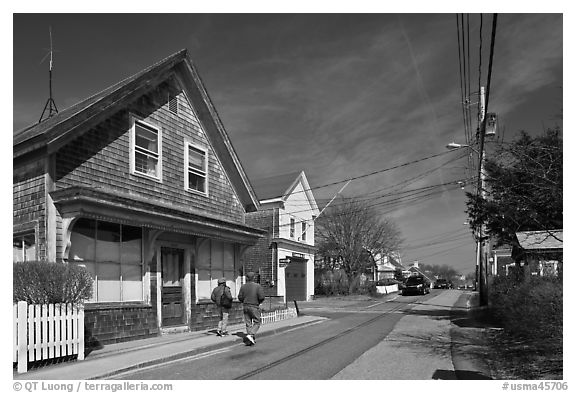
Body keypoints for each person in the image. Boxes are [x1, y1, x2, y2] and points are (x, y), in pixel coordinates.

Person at [237, 271, 265, 345]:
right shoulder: (257, 286)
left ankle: (250, 338)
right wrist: (259, 302)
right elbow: (261, 297)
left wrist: (244, 301)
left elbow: (240, 297)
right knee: (257, 322)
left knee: (248, 323)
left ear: (247, 278)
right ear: (254, 278)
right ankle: (251, 334)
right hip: (254, 305)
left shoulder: (243, 286)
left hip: (245, 305)